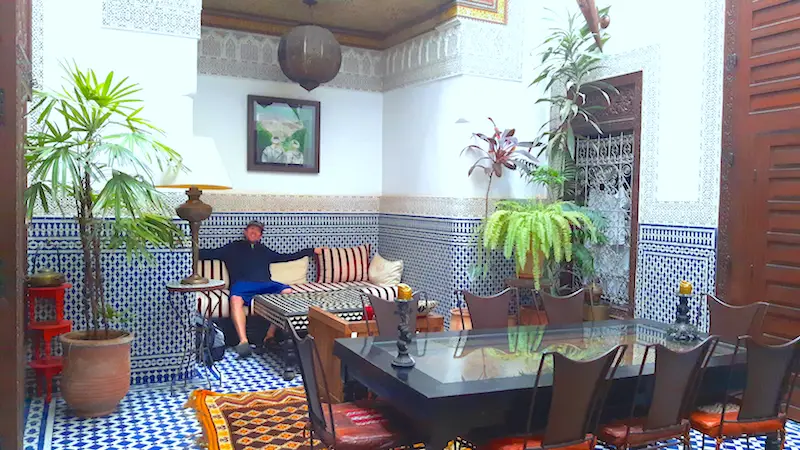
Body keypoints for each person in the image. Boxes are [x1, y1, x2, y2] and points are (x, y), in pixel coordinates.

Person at [199, 220, 320, 357]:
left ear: (260, 236)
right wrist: (188, 249)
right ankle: (243, 341)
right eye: (251, 229)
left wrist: (310, 251)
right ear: (245, 232)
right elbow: (209, 253)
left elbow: (286, 257)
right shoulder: (233, 247)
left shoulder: (263, 250)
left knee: (287, 291)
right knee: (235, 299)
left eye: (258, 231)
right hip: (243, 284)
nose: (254, 232)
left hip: (265, 284)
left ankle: (269, 336)